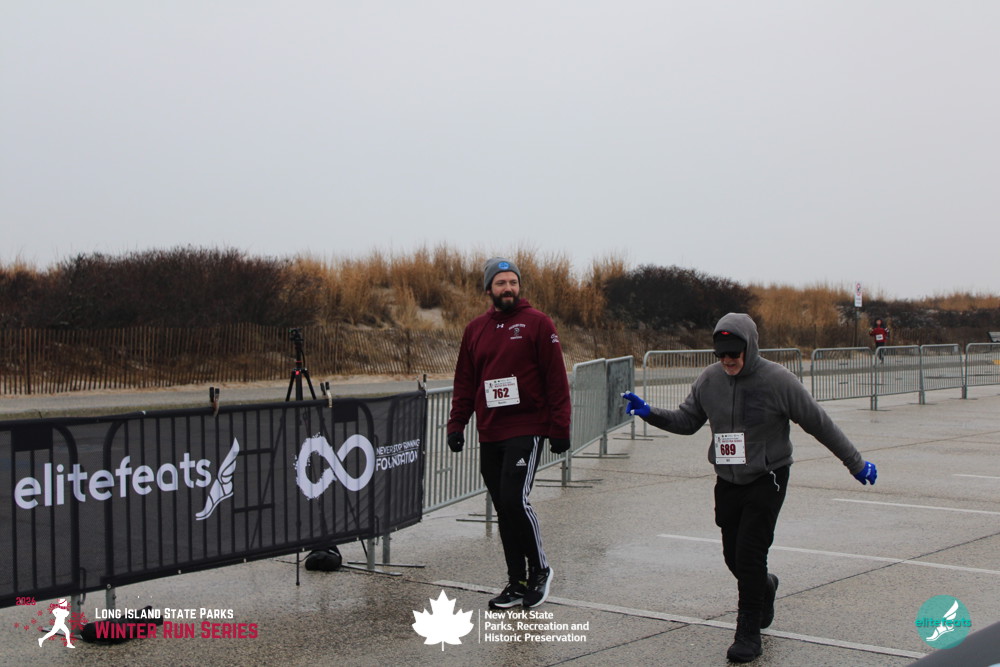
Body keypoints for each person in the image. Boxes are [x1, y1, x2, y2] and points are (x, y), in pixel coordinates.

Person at [621, 313, 877, 663]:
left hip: (767, 477)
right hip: (728, 480)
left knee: (750, 555)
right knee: (734, 557)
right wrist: (650, 412)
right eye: (721, 354)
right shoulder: (710, 379)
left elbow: (819, 423)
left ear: (750, 347)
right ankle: (765, 586)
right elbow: (687, 421)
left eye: (734, 354)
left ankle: (748, 633)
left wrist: (856, 463)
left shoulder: (778, 381)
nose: (727, 360)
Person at [447, 257, 572, 610]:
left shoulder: (538, 323)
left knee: (516, 500)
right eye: (501, 283)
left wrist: (560, 427)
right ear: (488, 289)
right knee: (504, 507)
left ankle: (541, 570)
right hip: (491, 430)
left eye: (513, 282)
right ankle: (516, 581)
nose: (508, 288)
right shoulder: (475, 329)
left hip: (526, 426)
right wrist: (457, 424)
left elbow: (556, 379)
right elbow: (465, 382)